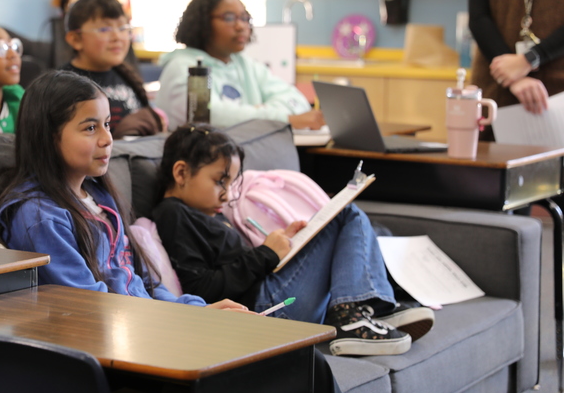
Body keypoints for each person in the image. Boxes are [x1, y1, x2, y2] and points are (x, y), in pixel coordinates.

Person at [0, 70, 382, 393]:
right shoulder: (38, 215)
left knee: (303, 364)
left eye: (107, 124)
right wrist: (186, 325)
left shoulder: (99, 198)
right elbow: (91, 309)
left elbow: (143, 284)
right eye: (90, 128)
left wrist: (202, 311)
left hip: (155, 337)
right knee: (292, 372)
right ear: (46, 135)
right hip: (133, 362)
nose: (107, 138)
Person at [152, 124, 435, 357]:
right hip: (268, 308)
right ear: (181, 173)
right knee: (346, 215)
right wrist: (265, 254)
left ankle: (366, 309)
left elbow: (235, 263)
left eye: (231, 183)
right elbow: (202, 289)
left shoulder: (206, 213)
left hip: (271, 295)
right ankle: (355, 315)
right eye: (219, 181)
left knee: (345, 215)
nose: (227, 195)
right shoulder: (174, 215)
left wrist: (286, 243)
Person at [157, 0, 324, 130]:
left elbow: (298, 102)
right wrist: (283, 119)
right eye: (229, 18)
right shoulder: (182, 67)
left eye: (244, 18)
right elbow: (210, 117)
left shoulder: (245, 65)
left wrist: (255, 113)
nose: (240, 26)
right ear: (202, 23)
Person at [61, 0, 163, 138]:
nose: (117, 37)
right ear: (75, 39)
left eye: (123, 28)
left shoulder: (126, 76)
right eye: (105, 29)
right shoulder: (63, 85)